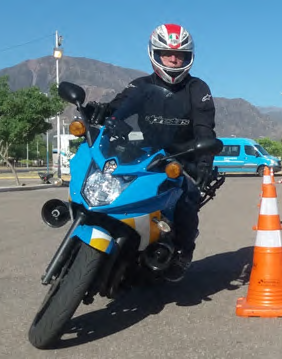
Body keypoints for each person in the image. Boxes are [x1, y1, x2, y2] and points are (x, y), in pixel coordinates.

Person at [87, 23, 216, 282]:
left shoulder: (197, 89)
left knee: (188, 198)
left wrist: (204, 163)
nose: (173, 58)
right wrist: (100, 112)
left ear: (188, 57)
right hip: (141, 154)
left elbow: (205, 130)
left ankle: (183, 253)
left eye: (179, 54)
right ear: (154, 53)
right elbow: (118, 108)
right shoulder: (141, 86)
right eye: (166, 52)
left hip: (180, 159)